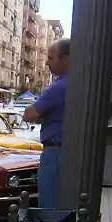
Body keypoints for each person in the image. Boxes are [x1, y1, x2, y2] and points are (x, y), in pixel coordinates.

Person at [23, 38, 70, 209]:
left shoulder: (59, 86)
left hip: (54, 151)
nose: (47, 63)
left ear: (65, 59)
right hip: (64, 149)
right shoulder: (75, 82)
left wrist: (42, 116)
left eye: (51, 58)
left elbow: (28, 114)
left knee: (49, 204)